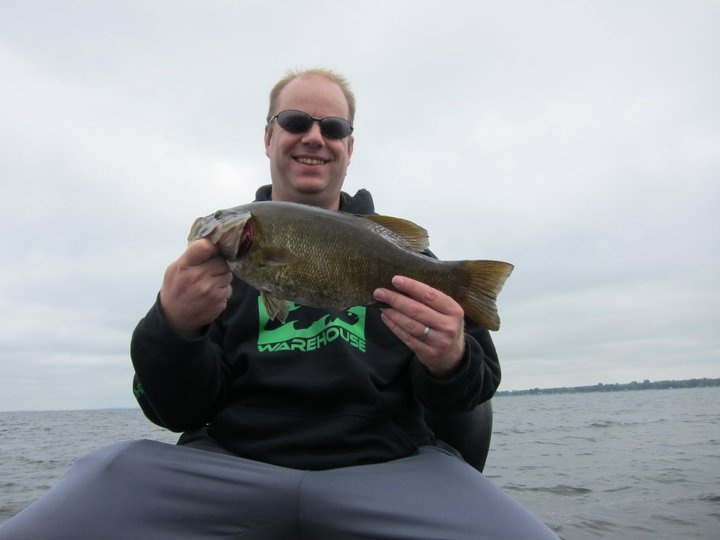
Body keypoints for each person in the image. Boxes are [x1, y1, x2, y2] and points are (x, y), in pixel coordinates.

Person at [0, 68, 558, 539]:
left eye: (332, 127)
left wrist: (451, 358)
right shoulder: (211, 267)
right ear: (269, 138)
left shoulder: (409, 260)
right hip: (224, 468)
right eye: (295, 122)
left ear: (349, 146)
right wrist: (174, 328)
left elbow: (474, 385)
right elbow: (174, 412)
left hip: (387, 468)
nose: (314, 136)